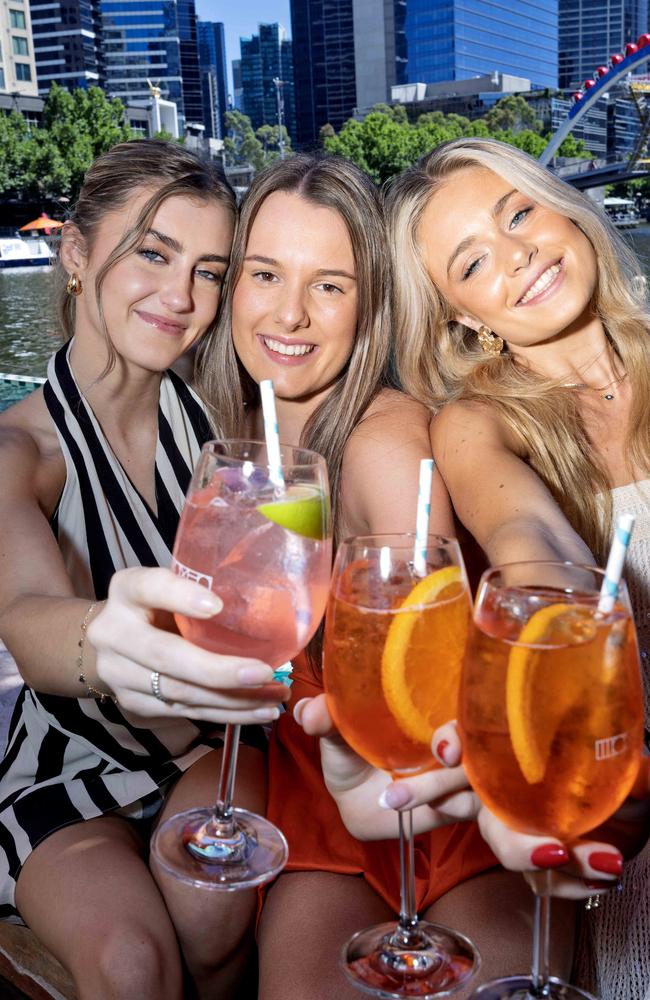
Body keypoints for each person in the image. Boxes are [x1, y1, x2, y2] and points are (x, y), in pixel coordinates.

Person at [89, 153, 548, 1000]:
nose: (290, 312)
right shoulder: (223, 441)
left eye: (331, 285)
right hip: (311, 792)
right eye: (265, 274)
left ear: (369, 304)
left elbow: (422, 651)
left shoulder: (384, 437)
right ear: (233, 288)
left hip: (437, 796)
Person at [298, 136, 649, 1000]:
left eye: (519, 212)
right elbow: (535, 550)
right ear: (463, 318)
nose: (520, 252)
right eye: (474, 260)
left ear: (560, 207)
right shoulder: (479, 427)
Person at [0, 139, 289, 1000]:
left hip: (208, 742)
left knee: (212, 920)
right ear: (80, 255)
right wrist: (103, 640)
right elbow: (24, 607)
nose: (181, 296)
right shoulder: (21, 450)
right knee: (132, 968)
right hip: (63, 755)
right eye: (153, 254)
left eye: (210, 270)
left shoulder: (222, 422)